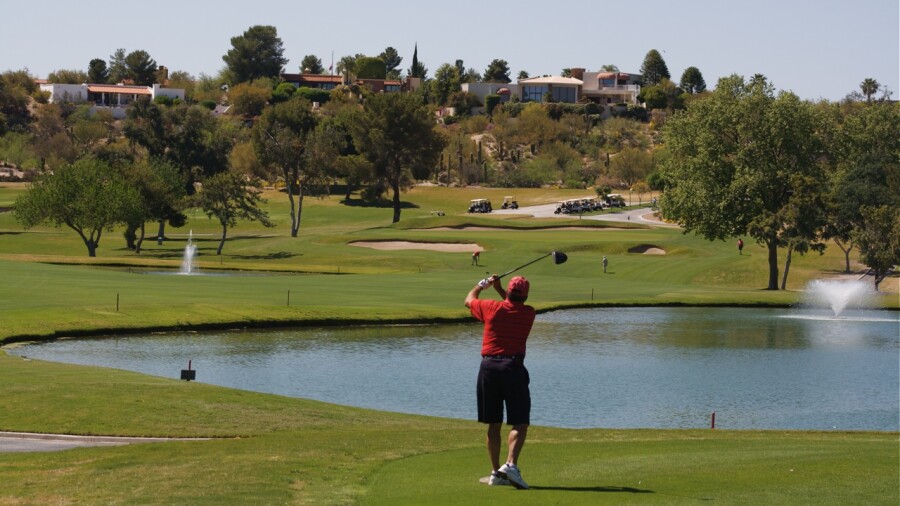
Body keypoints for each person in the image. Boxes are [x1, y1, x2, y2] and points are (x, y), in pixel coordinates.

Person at [465, 274, 535, 489]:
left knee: (493, 424)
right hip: (512, 368)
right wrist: (499, 288)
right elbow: (513, 304)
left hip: (488, 369)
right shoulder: (528, 313)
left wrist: (481, 285)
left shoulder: (491, 308)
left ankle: (496, 473)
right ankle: (511, 466)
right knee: (520, 422)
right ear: (525, 295)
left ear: (509, 292)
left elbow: (469, 300)